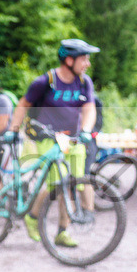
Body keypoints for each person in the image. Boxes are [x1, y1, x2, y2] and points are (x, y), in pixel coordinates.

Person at [8, 39, 98, 247]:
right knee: (58, 186)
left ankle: (62, 232)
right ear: (69, 60)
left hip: (74, 139)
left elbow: (89, 108)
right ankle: (33, 216)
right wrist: (13, 130)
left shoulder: (84, 82)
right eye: (84, 59)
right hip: (48, 139)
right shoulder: (45, 81)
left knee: (78, 182)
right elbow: (23, 104)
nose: (88, 64)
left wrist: (86, 130)